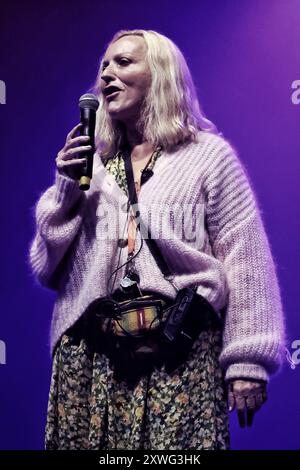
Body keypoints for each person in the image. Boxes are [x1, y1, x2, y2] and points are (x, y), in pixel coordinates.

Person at [29, 29, 285, 450]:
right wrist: (66, 190)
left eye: (124, 63)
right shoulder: (91, 164)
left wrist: (247, 360)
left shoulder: (207, 156)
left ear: (162, 74)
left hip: (177, 352)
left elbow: (246, 258)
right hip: (92, 360)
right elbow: (46, 267)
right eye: (104, 67)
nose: (107, 74)